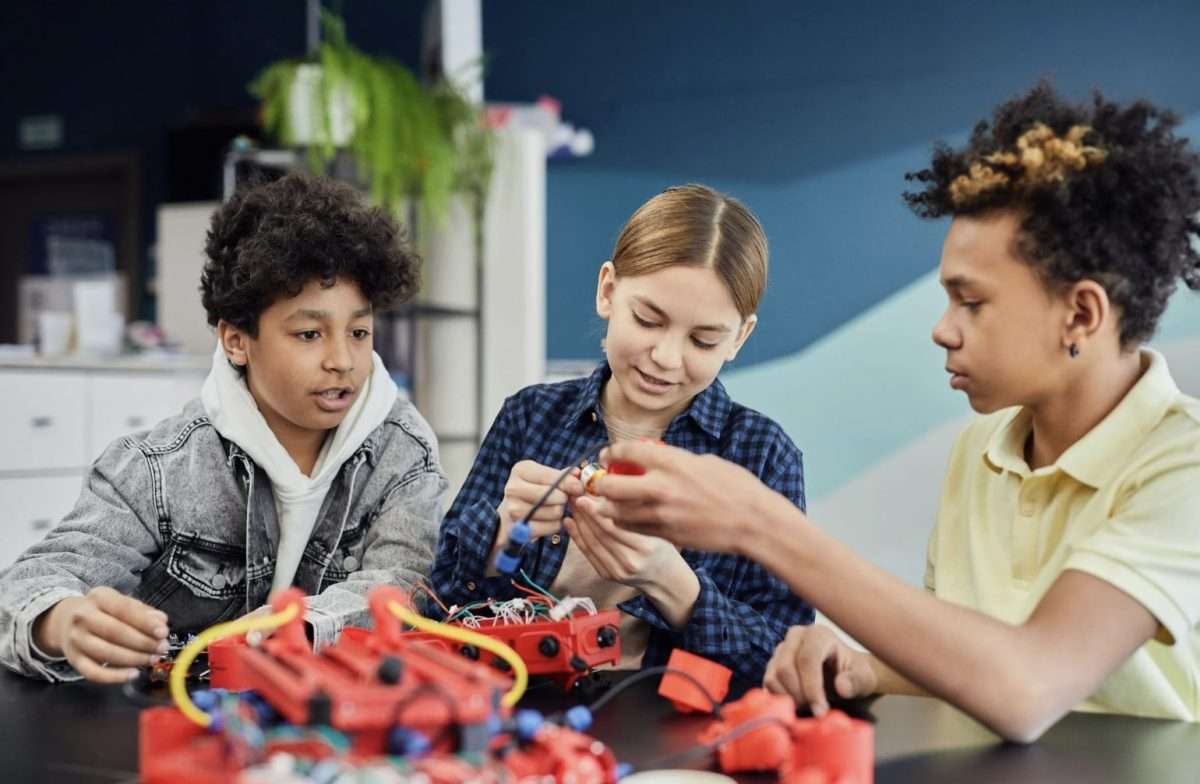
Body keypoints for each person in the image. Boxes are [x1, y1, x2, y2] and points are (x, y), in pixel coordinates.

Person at [588, 83, 1200, 740]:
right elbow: (961, 661)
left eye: (972, 303)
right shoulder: (982, 449)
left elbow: (1028, 686)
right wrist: (863, 667)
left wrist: (757, 522)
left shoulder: (1183, 466)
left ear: (1080, 313)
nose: (942, 329)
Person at [0, 173, 448, 683]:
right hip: (182, 715)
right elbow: (29, 584)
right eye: (309, 334)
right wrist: (60, 621)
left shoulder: (402, 450)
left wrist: (303, 628)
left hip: (337, 715)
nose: (342, 360)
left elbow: (405, 585)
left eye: (359, 332)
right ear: (236, 341)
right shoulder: (159, 469)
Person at [429, 184, 813, 682]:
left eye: (703, 340)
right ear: (608, 291)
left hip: (670, 716)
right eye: (648, 320)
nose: (666, 357)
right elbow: (435, 602)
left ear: (739, 337)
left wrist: (674, 584)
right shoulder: (531, 416)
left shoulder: (763, 457)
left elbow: (787, 660)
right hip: (516, 697)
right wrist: (501, 532)